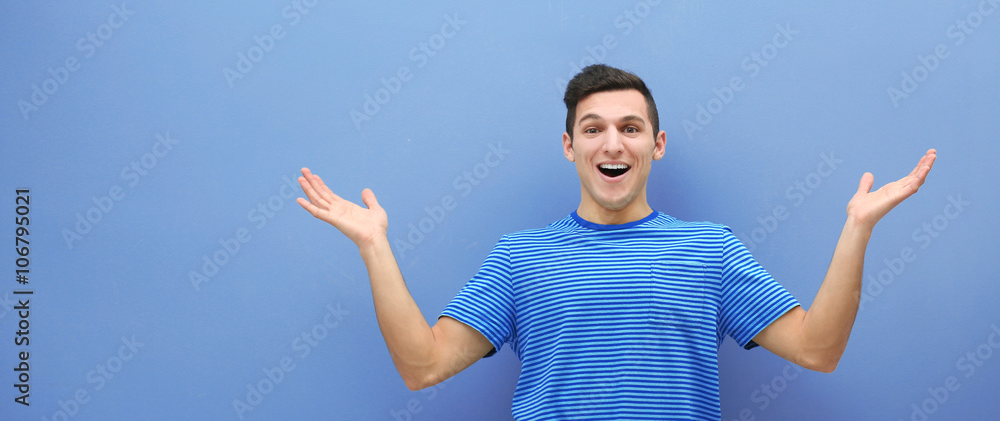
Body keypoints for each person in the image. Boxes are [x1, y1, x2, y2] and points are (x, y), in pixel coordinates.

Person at [296, 64, 937, 420]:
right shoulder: (520, 258)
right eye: (593, 128)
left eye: (631, 128)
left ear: (657, 145)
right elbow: (423, 367)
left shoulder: (711, 251)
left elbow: (819, 350)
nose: (612, 143)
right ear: (569, 146)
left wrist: (858, 229)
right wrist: (374, 246)